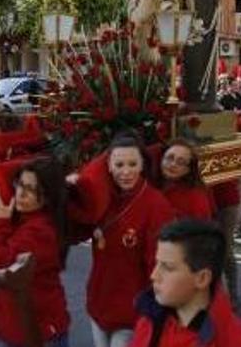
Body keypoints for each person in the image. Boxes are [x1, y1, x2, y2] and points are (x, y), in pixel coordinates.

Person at [72, 133, 175, 347]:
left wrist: (156, 310)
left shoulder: (156, 205)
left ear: (142, 166)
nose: (126, 172)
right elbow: (74, 229)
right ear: (108, 166)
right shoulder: (101, 198)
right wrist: (73, 192)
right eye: (119, 164)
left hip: (133, 309)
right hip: (99, 301)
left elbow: (160, 264)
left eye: (132, 164)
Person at [128, 219, 241, 346]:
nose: (154, 275)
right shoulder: (149, 320)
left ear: (202, 278)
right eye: (157, 263)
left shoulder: (234, 341)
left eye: (167, 267)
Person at [0, 158, 71, 347]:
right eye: (20, 184)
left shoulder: (39, 231)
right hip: (16, 329)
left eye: (31, 190)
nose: (21, 193)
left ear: (47, 196)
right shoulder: (22, 217)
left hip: (36, 334)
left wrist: (1, 224)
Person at [155, 139, 214, 220]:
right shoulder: (156, 182)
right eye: (169, 158)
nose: (173, 164)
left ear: (189, 169)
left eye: (180, 162)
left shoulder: (196, 198)